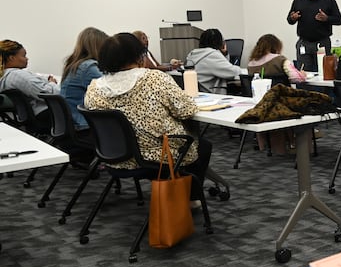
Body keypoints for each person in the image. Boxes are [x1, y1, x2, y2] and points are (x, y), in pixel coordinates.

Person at [84, 32, 211, 202]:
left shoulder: (94, 88)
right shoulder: (154, 79)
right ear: (138, 55)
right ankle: (188, 201)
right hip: (157, 156)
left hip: (114, 157)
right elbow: (186, 110)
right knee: (201, 146)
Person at [286, 0, 341, 72]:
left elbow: (339, 20)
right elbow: (289, 20)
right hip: (304, 43)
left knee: (324, 73)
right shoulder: (299, 0)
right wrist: (293, 18)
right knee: (304, 75)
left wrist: (327, 18)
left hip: (322, 43)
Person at [0, 39, 59, 131]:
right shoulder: (16, 75)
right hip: (45, 115)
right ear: (11, 58)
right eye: (23, 56)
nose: (27, 59)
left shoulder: (5, 75)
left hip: (30, 117)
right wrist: (52, 83)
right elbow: (50, 93)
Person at [60, 27, 108, 132]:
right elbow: (110, 90)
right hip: (82, 125)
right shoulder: (88, 68)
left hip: (72, 122)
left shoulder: (75, 64)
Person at [185, 28, 245, 94]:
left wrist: (224, 54)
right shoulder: (212, 55)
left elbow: (221, 68)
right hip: (214, 95)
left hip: (202, 94)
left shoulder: (193, 54)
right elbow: (233, 72)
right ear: (220, 42)